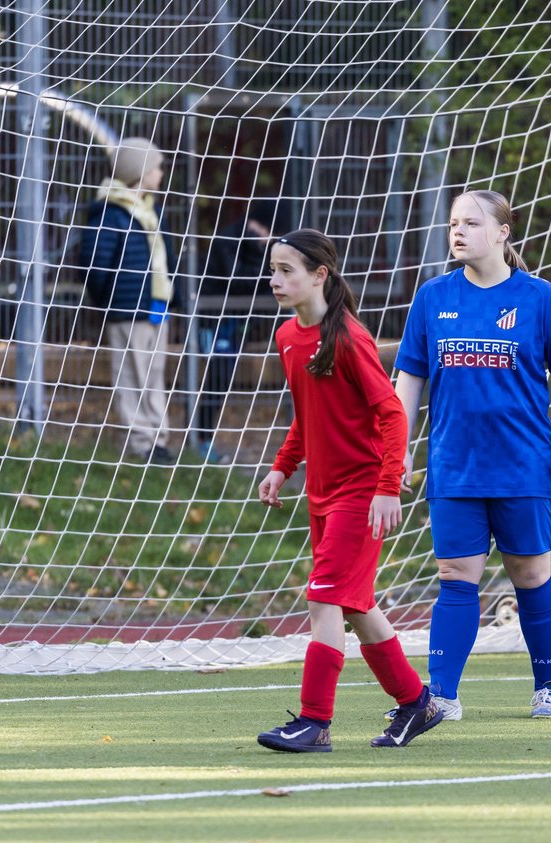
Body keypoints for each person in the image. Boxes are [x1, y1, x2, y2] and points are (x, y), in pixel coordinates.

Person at [394, 190, 551, 720]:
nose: (458, 232)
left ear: (503, 231)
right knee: (457, 575)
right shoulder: (433, 297)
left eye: (472, 223)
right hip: (454, 465)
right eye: (454, 223)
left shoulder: (539, 297)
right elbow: (410, 378)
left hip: (524, 464)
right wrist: (399, 448)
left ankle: (548, 687)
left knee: (529, 574)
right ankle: (442, 696)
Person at [256, 228, 442, 753]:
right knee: (356, 606)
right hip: (322, 491)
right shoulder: (288, 337)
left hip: (361, 492)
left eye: (287, 270)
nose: (276, 280)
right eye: (273, 270)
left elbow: (392, 415)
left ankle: (314, 723)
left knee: (323, 598)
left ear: (320, 275)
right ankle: (416, 703)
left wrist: (388, 488)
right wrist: (282, 466)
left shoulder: (350, 338)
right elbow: (306, 416)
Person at [79, 137, 180, 464]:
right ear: (139, 172)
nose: (162, 173)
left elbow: (165, 258)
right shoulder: (111, 214)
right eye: (157, 167)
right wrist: (110, 301)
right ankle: (140, 443)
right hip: (127, 310)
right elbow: (93, 266)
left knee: (154, 375)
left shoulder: (152, 211)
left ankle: (158, 440)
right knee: (132, 375)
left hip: (156, 308)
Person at [192, 200, 283, 464]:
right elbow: (240, 281)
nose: (267, 239)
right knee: (216, 374)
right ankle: (199, 439)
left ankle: (203, 437)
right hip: (211, 319)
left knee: (222, 377)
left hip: (234, 322)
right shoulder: (228, 241)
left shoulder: (254, 246)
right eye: (266, 232)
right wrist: (261, 260)